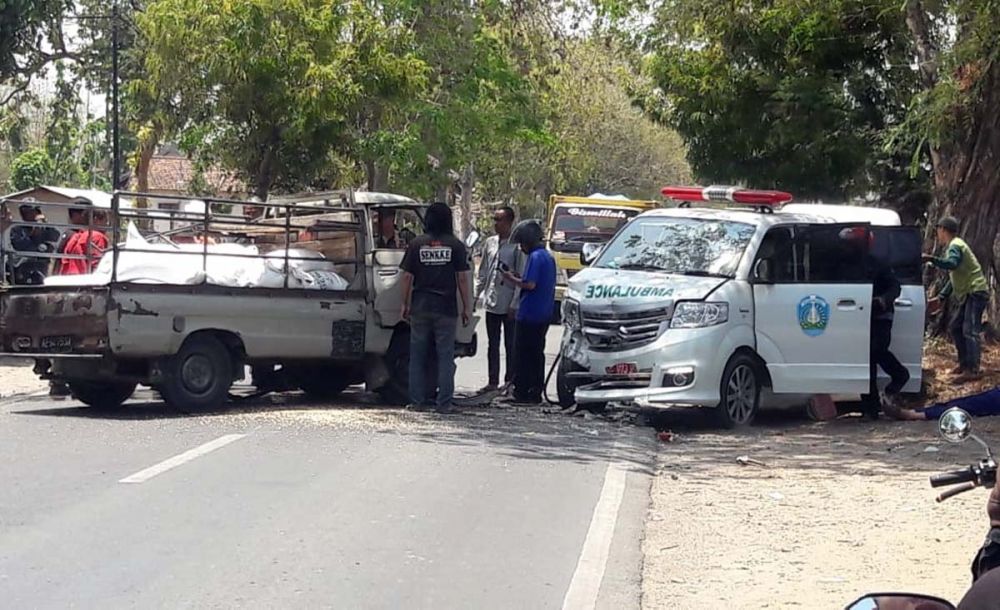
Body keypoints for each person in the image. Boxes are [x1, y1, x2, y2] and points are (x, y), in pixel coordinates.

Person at [399, 202, 471, 413]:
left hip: (420, 306)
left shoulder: (416, 244)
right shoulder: (455, 245)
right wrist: (466, 307)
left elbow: (406, 277)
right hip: (446, 308)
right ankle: (444, 403)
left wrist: (404, 303)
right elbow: (462, 279)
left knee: (418, 355)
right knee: (445, 356)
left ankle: (417, 401)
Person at [839, 228, 910, 419]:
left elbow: (895, 286)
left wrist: (883, 300)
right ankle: (870, 408)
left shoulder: (877, 263)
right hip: (856, 319)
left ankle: (900, 377)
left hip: (880, 317)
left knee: (876, 351)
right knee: (866, 361)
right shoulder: (842, 266)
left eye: (853, 243)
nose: (850, 247)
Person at [924, 216, 990, 382]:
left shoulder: (955, 246)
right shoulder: (956, 245)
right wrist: (941, 297)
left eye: (938, 230)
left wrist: (932, 259)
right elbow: (954, 277)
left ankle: (973, 370)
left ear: (943, 230)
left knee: (970, 330)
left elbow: (952, 264)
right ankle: (965, 364)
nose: (937, 235)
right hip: (970, 292)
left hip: (976, 291)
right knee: (955, 327)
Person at [502, 220, 556, 405]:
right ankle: (534, 391)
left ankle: (522, 392)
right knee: (536, 354)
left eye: (522, 243)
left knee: (523, 354)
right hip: (543, 313)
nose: (521, 247)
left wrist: (510, 279)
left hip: (530, 314)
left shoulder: (535, 257)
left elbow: (530, 284)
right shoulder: (547, 257)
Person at [475, 206, 524, 394]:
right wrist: (475, 296)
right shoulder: (490, 243)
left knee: (510, 343)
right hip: (492, 300)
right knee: (492, 343)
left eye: (499, 220)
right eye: (494, 219)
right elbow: (483, 272)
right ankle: (492, 381)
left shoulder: (517, 246)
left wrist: (515, 303)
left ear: (510, 222)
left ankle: (509, 381)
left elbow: (521, 276)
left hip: (509, 302)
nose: (496, 224)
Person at [9, 204, 60, 285]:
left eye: (35, 211)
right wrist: (34, 235)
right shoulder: (17, 229)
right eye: (27, 212)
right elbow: (22, 246)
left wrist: (46, 224)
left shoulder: (44, 228)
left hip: (41, 267)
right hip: (24, 267)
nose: (32, 214)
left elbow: (56, 237)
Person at [58, 210, 109, 275]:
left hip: (70, 278)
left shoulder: (77, 236)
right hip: (84, 280)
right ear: (95, 220)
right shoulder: (97, 237)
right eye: (105, 221)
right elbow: (97, 264)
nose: (107, 224)